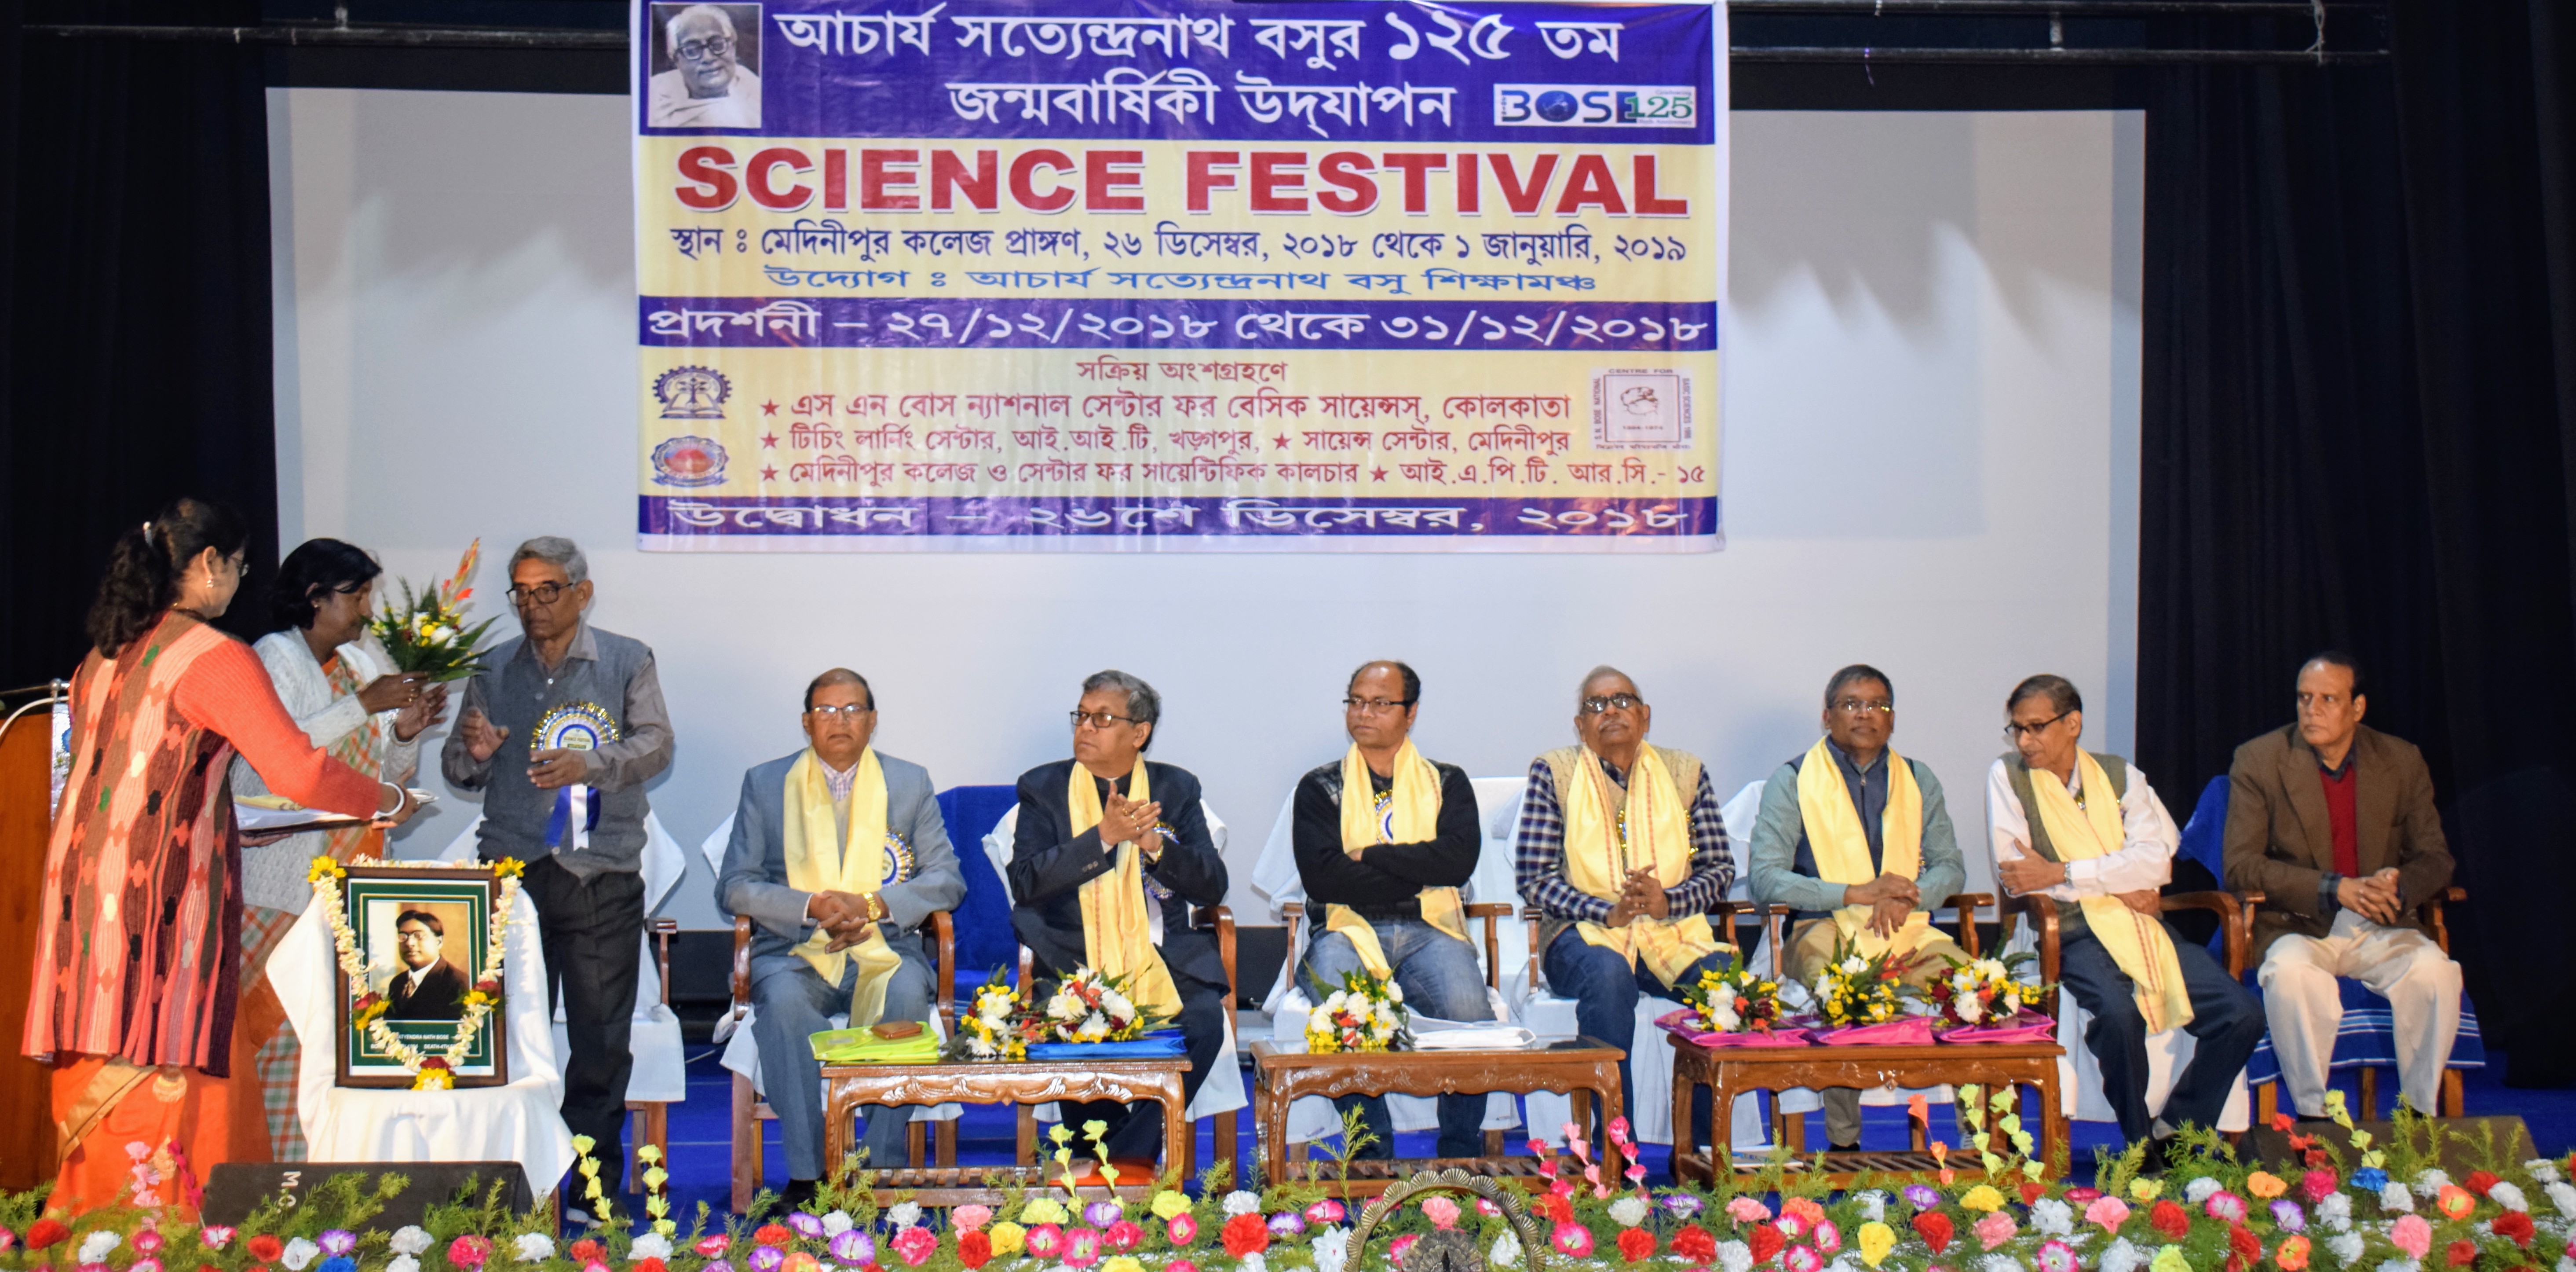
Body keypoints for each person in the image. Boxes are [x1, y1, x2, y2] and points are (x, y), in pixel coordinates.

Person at [24, 499, 420, 1218]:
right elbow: (295, 770)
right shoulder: (214, 655)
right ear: (209, 564)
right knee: (171, 1072)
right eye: (238, 566)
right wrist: (386, 799)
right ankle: (169, 1234)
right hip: (160, 897)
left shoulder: (101, 658)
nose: (239, 583)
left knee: (103, 1057)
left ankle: (96, 1233)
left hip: (81, 899)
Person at [440, 536, 674, 1191]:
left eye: (547, 589)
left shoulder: (627, 659)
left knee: (599, 1043)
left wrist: (589, 764)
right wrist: (477, 754)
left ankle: (590, 1187)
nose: (532, 604)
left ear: (582, 592)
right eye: (521, 591)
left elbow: (656, 744)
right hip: (510, 874)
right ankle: (511, 1184)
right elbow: (457, 767)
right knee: (508, 1035)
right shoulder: (491, 667)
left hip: (598, 873)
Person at [227, 537, 449, 1159]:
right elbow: (265, 766)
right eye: (358, 595)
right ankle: (268, 1174)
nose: (367, 610)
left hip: (353, 889)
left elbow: (384, 775)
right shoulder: (273, 658)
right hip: (283, 890)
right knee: (279, 1040)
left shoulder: (355, 662)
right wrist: (363, 705)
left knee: (336, 1045)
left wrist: (403, 732)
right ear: (314, 597)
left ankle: (329, 1175)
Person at [1986, 674, 2263, 1158]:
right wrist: (2116, 877)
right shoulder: (2007, 775)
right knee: (2117, 1015)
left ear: (2072, 723)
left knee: (2241, 1014)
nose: (2025, 741)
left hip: (2140, 926)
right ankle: (2138, 1142)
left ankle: (2177, 1125)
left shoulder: (2119, 775)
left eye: (2036, 727)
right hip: (2069, 931)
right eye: (2017, 729)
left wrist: (2063, 870)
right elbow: (2018, 876)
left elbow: (2157, 863)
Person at [716, 669, 963, 1205]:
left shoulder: (909, 782)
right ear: (806, 722)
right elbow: (735, 885)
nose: (840, 721)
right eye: (826, 710)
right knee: (784, 1005)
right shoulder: (766, 782)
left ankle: (879, 1169)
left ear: (872, 721)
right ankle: (809, 1174)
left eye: (852, 709)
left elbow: (947, 879)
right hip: (794, 952)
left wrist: (870, 906)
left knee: (905, 994)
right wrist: (812, 907)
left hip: (887, 946)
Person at [2222, 652, 2460, 1119]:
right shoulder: (2259, 759)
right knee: (2291, 976)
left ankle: (2418, 1117)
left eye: (2327, 699)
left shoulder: (2400, 759)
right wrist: (2335, 888)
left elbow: (2435, 857)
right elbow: (2241, 866)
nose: (2311, 709)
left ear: (2357, 707)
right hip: (2298, 922)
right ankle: (2314, 1116)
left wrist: (2398, 885)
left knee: (2435, 973)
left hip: (2381, 923)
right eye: (2304, 698)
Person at [1007, 670, 1230, 1162]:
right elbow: (1025, 883)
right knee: (1072, 1023)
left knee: (1204, 1022)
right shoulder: (1042, 787)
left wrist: (1154, 845)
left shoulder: (1176, 788)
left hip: (1163, 953)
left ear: (1139, 732)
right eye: (1082, 715)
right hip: (1071, 954)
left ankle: (1116, 1162)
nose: (1085, 727)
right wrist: (1103, 838)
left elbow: (1212, 884)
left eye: (1102, 718)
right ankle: (1124, 1161)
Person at [1746, 663, 1969, 1152]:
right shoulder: (1792, 780)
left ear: (1892, 719)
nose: (1864, 714)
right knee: (1839, 987)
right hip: (1821, 924)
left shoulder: (1917, 778)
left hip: (1907, 926)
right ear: (1827, 716)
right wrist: (1853, 893)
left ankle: (1979, 1142)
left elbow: (1950, 866)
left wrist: (1908, 894)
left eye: (1877, 705)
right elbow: (1765, 879)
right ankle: (1844, 1145)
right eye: (1851, 704)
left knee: (1972, 989)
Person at [1513, 666, 1736, 1144]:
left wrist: (1667, 901)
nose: (1610, 711)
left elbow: (1719, 868)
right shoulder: (1555, 771)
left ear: (1645, 715)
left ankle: (1702, 1151)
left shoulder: (1685, 771)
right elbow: (1533, 879)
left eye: (1622, 700)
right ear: (1580, 726)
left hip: (1671, 931)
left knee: (1723, 981)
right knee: (1610, 975)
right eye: (1596, 705)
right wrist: (1607, 912)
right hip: (1580, 932)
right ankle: (1617, 1148)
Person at [1291, 660, 1492, 1159]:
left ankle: (1460, 1153)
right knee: (1341, 1009)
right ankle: (1371, 1151)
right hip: (1345, 925)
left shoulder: (1447, 782)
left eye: (1381, 703)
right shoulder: (1320, 786)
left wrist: (1368, 856)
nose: (1364, 712)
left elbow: (1457, 861)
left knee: (1469, 1016)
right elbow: (1323, 877)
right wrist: (1420, 867)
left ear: (1411, 712)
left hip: (1430, 925)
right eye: (1356, 701)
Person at [648, 4, 761, 128]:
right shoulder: (653, 96)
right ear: (676, 60)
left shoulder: (756, 92)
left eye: (717, 44)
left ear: (733, 48)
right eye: (692, 50)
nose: (708, 58)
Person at [386, 912, 471, 1021]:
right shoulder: (398, 983)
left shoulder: (458, 984)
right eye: (403, 937)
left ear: (439, 942)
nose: (409, 943)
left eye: (419, 936)